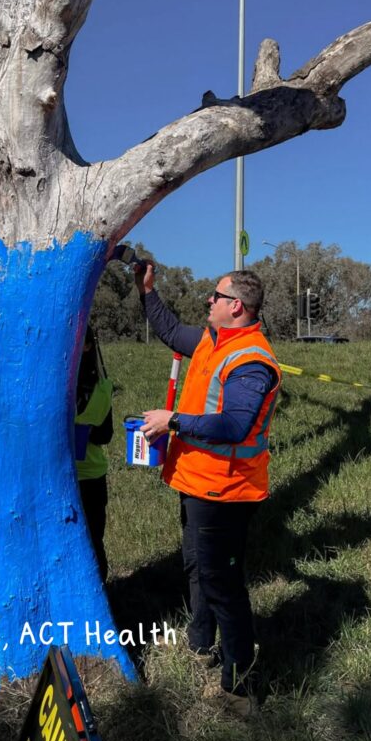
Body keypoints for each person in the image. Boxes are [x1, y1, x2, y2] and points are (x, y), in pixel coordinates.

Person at [135, 265, 281, 714]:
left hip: (226, 491)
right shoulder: (211, 342)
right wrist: (147, 292)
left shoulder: (251, 360)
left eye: (214, 296)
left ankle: (238, 688)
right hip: (195, 481)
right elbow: (169, 330)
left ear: (236, 305)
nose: (208, 302)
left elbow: (235, 426)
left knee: (224, 584)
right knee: (198, 566)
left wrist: (172, 420)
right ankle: (201, 644)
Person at [75, 325, 114, 582]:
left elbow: (106, 435)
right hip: (61, 477)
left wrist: (81, 432)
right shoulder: (53, 385)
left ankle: (102, 594)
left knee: (93, 541)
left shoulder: (102, 387)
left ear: (89, 346)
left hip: (90, 477)